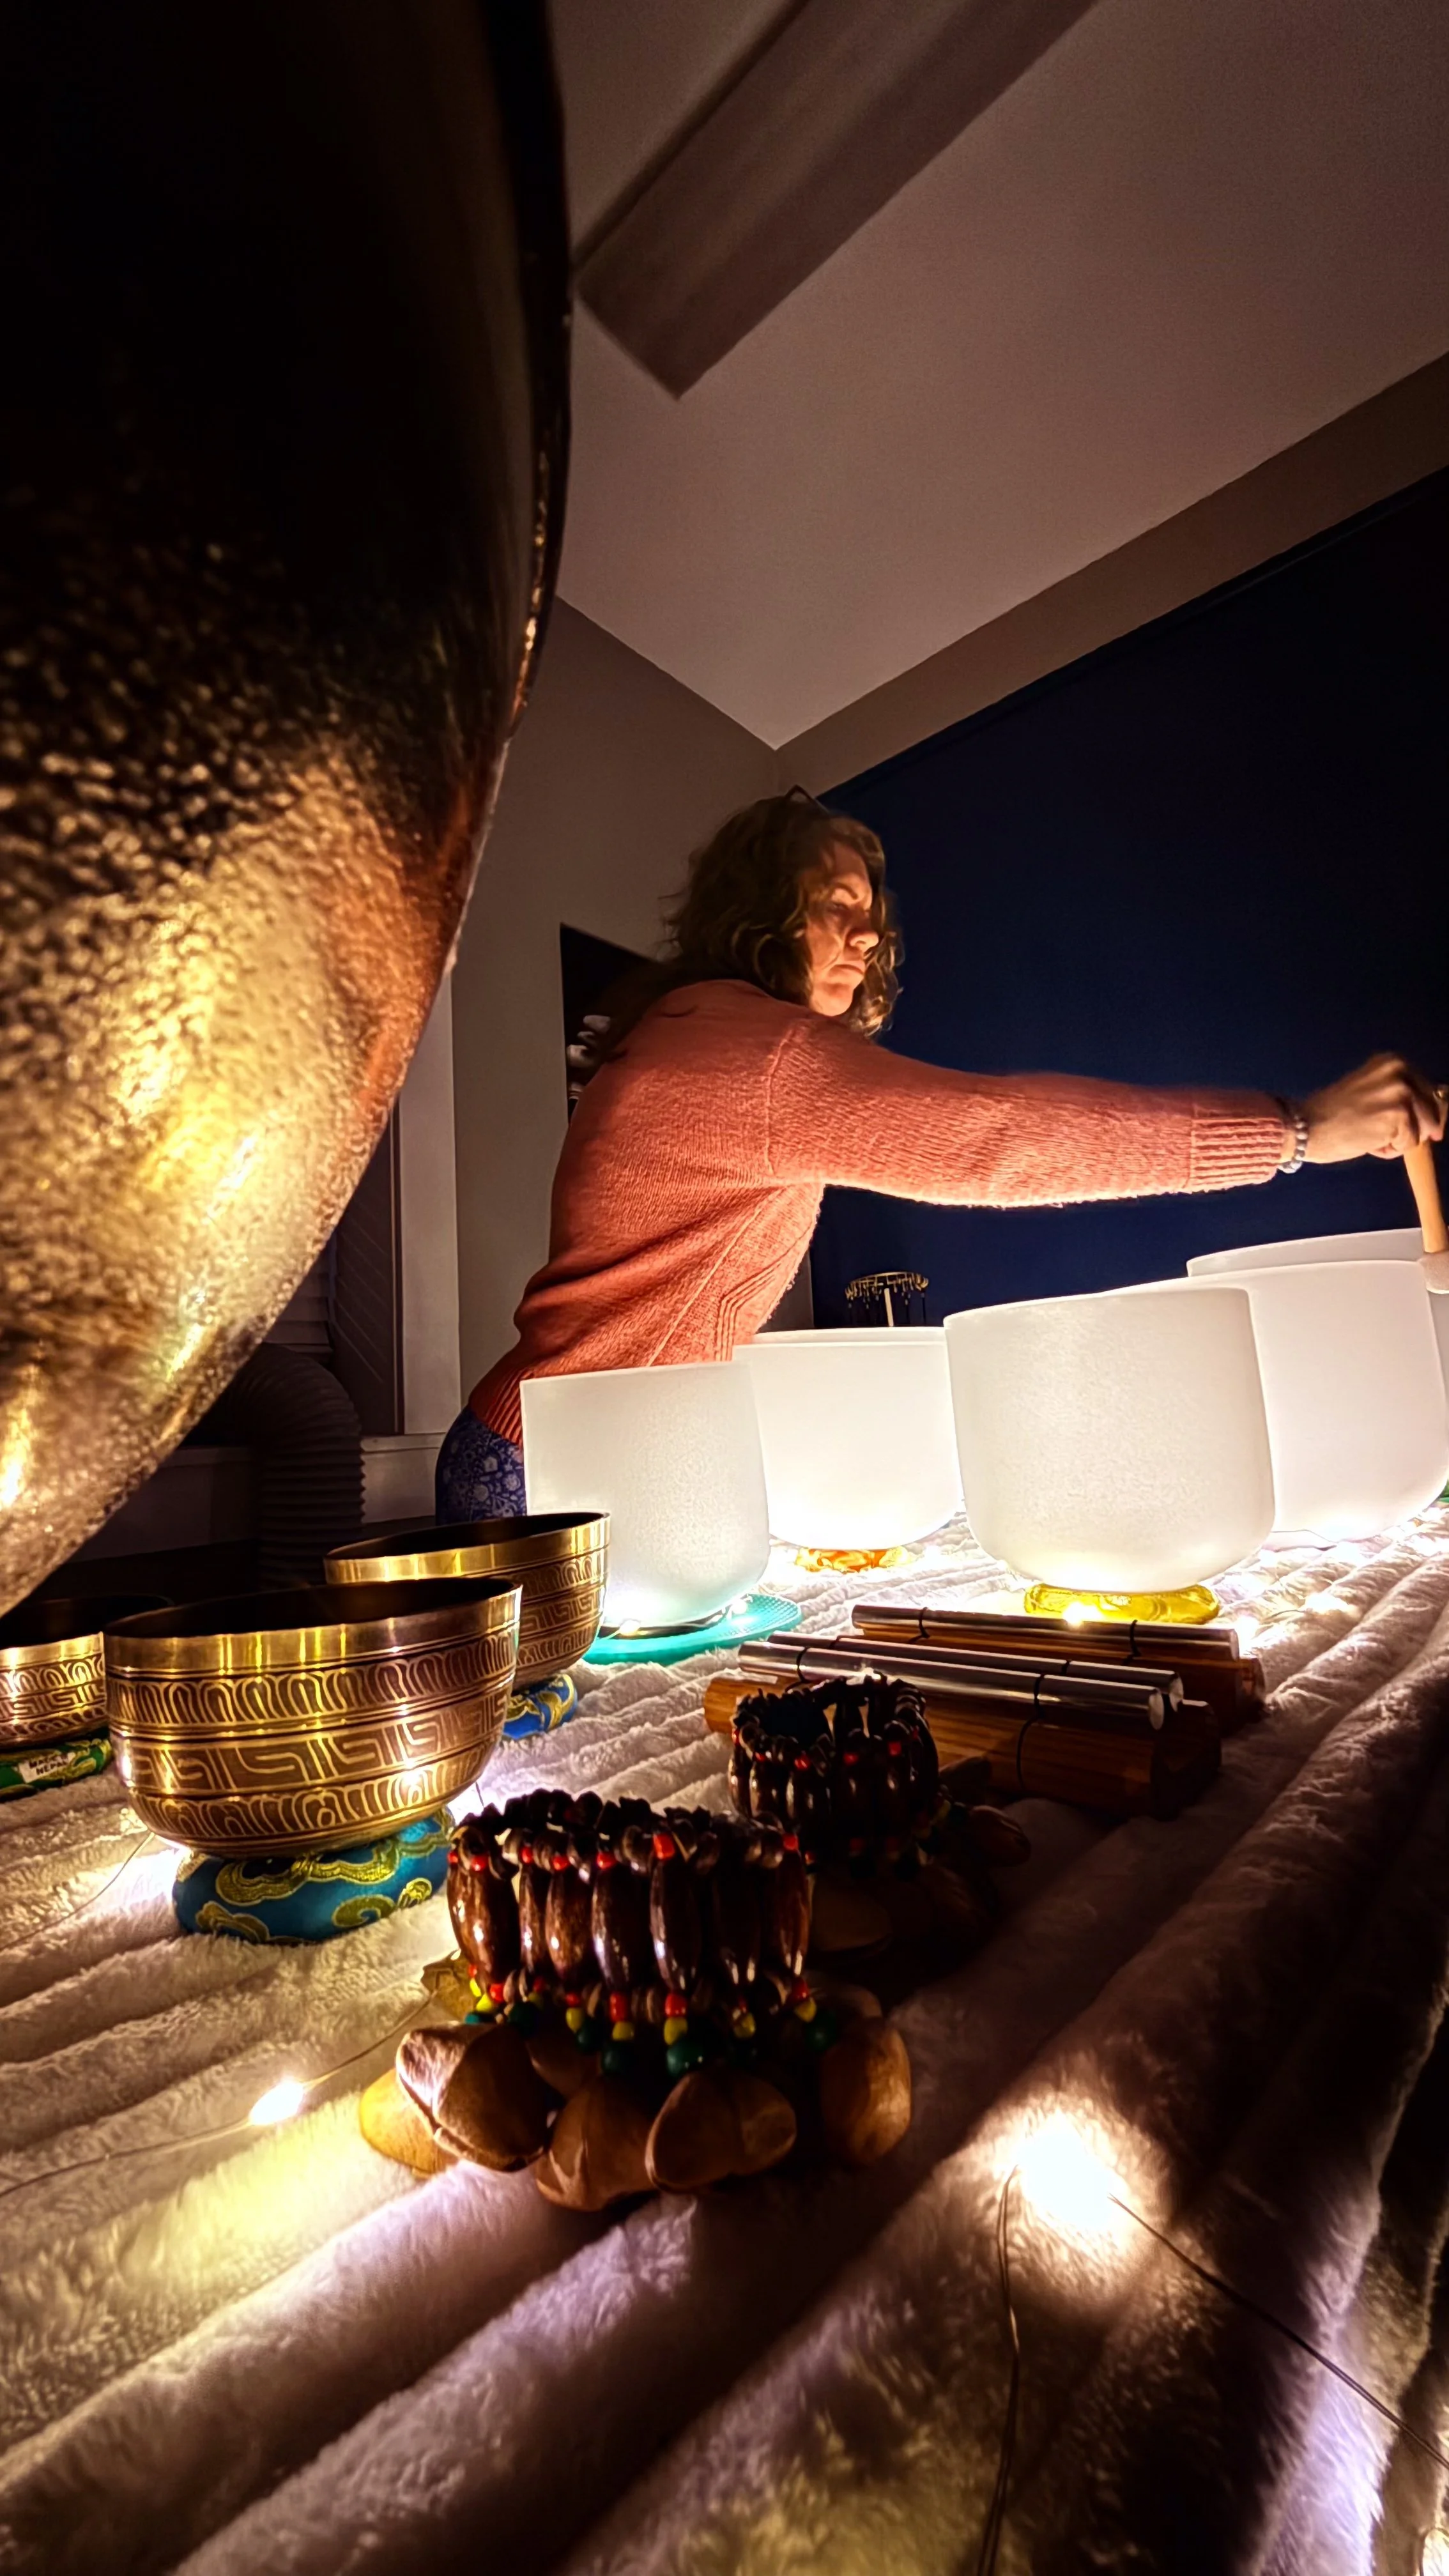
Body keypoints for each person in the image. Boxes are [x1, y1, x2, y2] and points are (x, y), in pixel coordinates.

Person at [437, 790, 1446, 1521]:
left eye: (872, 914)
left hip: (578, 1455)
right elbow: (994, 1143)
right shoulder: (759, 1055)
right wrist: (1300, 1129)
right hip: (547, 1479)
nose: (866, 934)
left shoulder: (700, 1035)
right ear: (761, 908)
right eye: (835, 902)